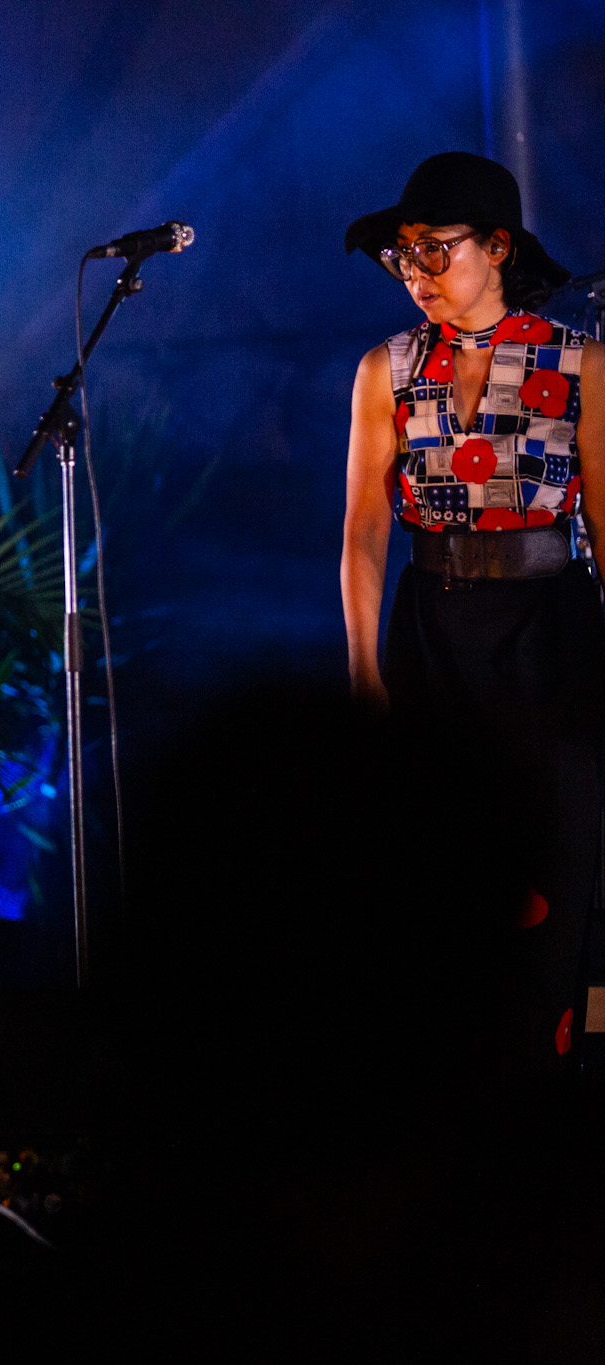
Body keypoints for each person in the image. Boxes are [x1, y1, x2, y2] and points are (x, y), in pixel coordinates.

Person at [341, 151, 602, 1085]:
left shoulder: (579, 363)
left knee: (550, 874)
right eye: (402, 256)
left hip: (548, 636)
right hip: (433, 633)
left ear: (498, 248)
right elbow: (364, 531)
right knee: (434, 880)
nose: (416, 274)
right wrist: (364, 669)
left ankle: (545, 1096)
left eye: (434, 251)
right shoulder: (387, 368)